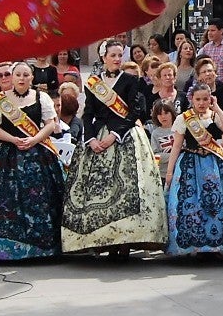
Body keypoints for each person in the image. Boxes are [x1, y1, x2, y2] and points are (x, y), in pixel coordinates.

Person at [63, 39, 166, 255]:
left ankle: (125, 241)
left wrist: (114, 135)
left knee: (128, 189)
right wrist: (90, 138)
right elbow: (88, 113)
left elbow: (133, 112)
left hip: (124, 136)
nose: (118, 59)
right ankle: (100, 239)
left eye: (120, 55)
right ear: (104, 57)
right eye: (113, 55)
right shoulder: (93, 82)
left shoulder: (131, 80)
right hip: (98, 136)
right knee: (95, 190)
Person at [0, 61, 65, 261]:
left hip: (38, 153)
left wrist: (35, 139)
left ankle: (44, 249)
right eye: (18, 75)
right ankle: (6, 250)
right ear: (12, 77)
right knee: (6, 199)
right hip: (7, 155)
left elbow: (51, 123)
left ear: (32, 78)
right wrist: (13, 139)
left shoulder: (41, 97)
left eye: (26, 75)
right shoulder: (0, 100)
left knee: (42, 199)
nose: (22, 78)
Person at [165, 83, 223, 255]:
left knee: (216, 203)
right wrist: (169, 172)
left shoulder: (214, 116)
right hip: (190, 164)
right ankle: (194, 246)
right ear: (192, 100)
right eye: (198, 99)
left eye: (205, 99)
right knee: (192, 204)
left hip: (213, 165)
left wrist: (217, 108)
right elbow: (176, 147)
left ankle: (215, 244)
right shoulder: (184, 118)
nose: (202, 103)